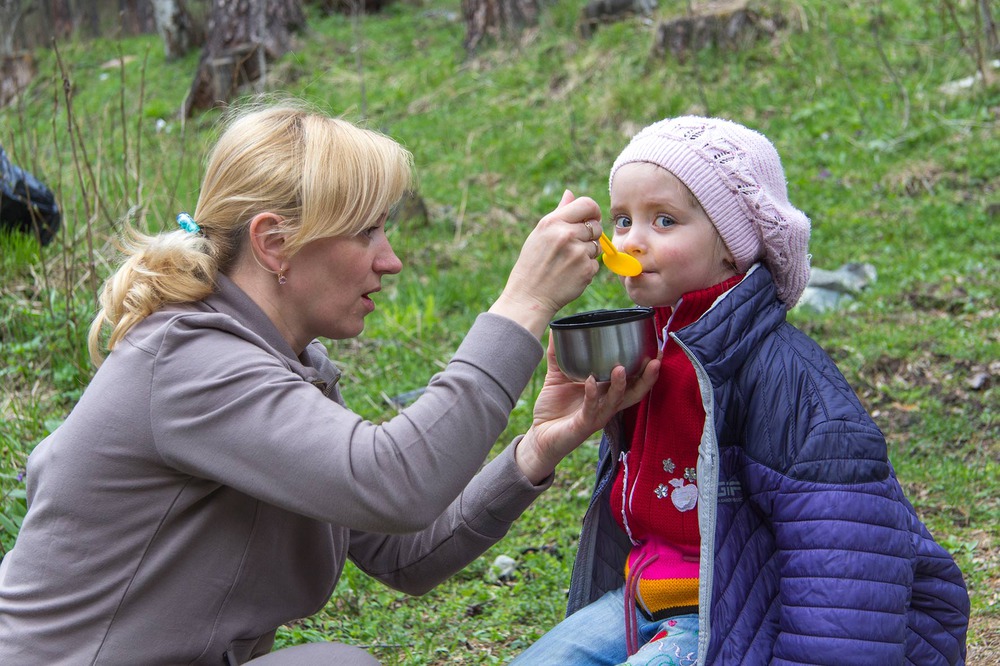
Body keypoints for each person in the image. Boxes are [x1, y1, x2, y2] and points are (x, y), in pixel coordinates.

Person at [0, 99, 659, 665]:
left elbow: (405, 554)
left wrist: (538, 449)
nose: (390, 259)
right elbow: (394, 483)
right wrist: (523, 305)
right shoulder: (190, 363)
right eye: (366, 230)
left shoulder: (280, 364)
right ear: (274, 243)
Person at [511, 116, 971, 665]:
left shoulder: (788, 379)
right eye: (623, 219)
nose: (632, 239)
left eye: (663, 220)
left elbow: (845, 553)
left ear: (733, 246)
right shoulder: (650, 346)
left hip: (745, 615)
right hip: (647, 599)